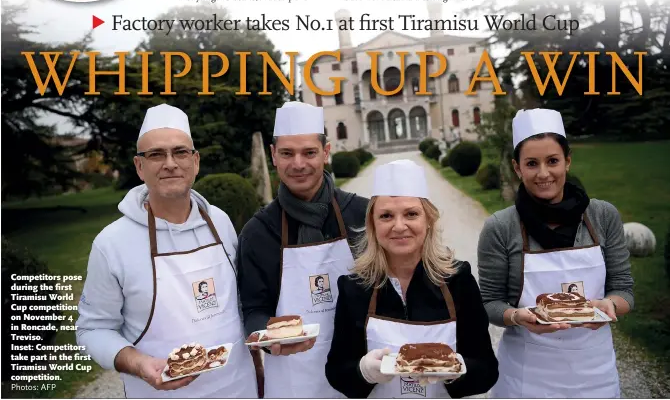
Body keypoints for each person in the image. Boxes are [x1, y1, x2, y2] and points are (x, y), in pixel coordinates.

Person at [75, 103, 258, 398]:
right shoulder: (112, 243)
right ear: (139, 166)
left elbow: (238, 304)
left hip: (239, 388)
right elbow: (92, 330)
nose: (170, 163)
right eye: (156, 154)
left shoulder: (220, 222)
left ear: (195, 162)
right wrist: (139, 363)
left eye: (180, 152)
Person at [477, 108, 634, 398]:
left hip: (595, 373)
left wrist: (610, 305)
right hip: (528, 377)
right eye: (532, 163)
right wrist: (516, 316)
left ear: (568, 161)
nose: (543, 173)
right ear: (517, 167)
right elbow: (488, 303)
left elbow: (624, 290)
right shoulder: (501, 227)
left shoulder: (602, 216)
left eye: (552, 161)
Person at [325, 159, 499, 398]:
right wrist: (364, 372)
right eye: (386, 216)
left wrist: (455, 370)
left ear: (428, 220)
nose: (399, 226)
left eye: (411, 214)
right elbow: (337, 372)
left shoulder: (458, 280)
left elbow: (487, 370)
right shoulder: (354, 287)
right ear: (372, 226)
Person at [236, 101, 369, 398]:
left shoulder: (363, 215)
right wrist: (267, 337)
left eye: (309, 152)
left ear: (326, 151)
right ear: (273, 155)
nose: (298, 164)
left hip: (364, 372)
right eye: (287, 153)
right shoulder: (258, 233)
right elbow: (253, 310)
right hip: (294, 378)